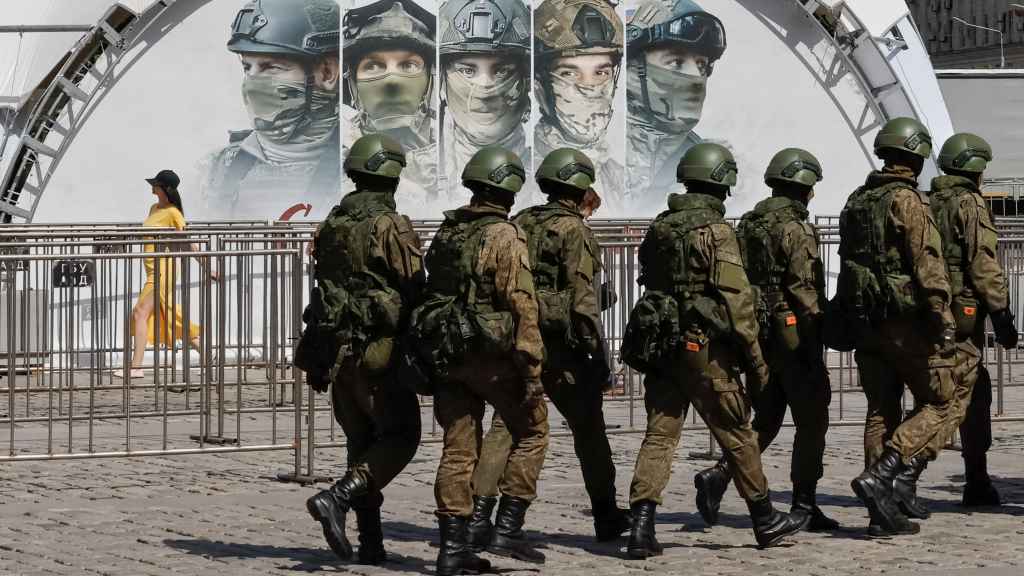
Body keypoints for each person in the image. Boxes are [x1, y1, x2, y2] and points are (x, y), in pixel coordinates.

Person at [620, 143, 805, 556]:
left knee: (659, 435)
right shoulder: (717, 231)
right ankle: (764, 518)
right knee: (737, 433)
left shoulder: (661, 225)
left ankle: (641, 526)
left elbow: (648, 277)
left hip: (662, 347)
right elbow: (738, 303)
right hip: (704, 352)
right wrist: (756, 360)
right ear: (722, 181)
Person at [466, 148, 630, 547]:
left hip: (522, 342)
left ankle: (477, 518)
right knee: (590, 435)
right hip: (566, 349)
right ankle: (606, 515)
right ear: (577, 188)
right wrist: (596, 353)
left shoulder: (521, 221)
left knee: (505, 430)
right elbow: (583, 302)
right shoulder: (574, 231)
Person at [412, 146, 548, 575]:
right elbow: (522, 303)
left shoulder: (449, 232)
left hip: (449, 354)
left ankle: (453, 548)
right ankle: (507, 525)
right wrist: (532, 366)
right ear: (508, 188)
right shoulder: (504, 236)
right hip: (492, 357)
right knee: (533, 430)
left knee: (458, 449)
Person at [693, 148, 838, 531]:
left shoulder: (750, 223)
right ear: (803, 185)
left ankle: (721, 474)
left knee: (769, 416)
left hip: (759, 330)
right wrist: (818, 327)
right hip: (792, 332)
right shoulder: (796, 227)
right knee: (811, 418)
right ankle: (804, 504)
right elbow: (801, 286)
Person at [304, 134, 425, 565]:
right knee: (400, 437)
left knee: (361, 444)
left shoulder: (333, 224)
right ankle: (336, 498)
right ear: (391, 177)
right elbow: (413, 284)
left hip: (338, 350)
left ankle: (371, 543)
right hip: (379, 351)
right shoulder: (390, 225)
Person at [833, 117, 956, 537]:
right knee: (940, 401)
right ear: (916, 157)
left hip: (866, 319)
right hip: (906, 322)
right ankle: (884, 475)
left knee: (880, 410)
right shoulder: (907, 200)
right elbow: (928, 262)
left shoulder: (856, 200)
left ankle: (879, 511)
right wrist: (941, 315)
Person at [889, 133, 1018, 518]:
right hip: (964, 318)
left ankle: (975, 481)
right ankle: (906, 474)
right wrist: (1002, 314)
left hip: (929, 314)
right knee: (959, 400)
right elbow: (983, 263)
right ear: (976, 168)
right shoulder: (969, 204)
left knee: (951, 393)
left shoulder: (926, 201)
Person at [200, 0, 341, 221]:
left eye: (271, 67)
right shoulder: (214, 169)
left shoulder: (360, 174)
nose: (252, 83)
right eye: (247, 67)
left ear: (327, 73)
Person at [626, 0, 726, 213]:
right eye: (676, 62)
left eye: (701, 65)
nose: (695, 77)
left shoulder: (706, 161)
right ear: (633, 67)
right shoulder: (603, 151)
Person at [341, 0, 437, 212]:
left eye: (408, 65)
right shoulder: (332, 164)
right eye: (373, 65)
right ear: (353, 84)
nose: (392, 80)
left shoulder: (454, 158)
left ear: (430, 81)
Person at [533, 0, 625, 213]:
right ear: (540, 86)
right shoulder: (522, 179)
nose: (589, 87)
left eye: (601, 72)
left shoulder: (620, 181)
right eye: (569, 73)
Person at [437, 0, 531, 204]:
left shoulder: (543, 178)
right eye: (467, 71)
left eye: (502, 71)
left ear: (526, 82)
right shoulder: (422, 180)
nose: (484, 90)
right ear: (442, 80)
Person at [128, 170, 215, 380]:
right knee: (166, 316)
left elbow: (188, 243)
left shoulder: (174, 213)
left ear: (164, 188)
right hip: (152, 268)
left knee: (140, 313)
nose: (153, 186)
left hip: (163, 270)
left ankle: (136, 367)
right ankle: (205, 353)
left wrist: (207, 267)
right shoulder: (153, 208)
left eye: (156, 184)